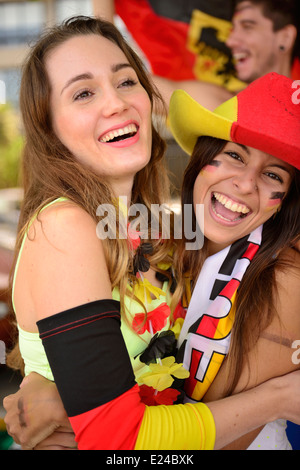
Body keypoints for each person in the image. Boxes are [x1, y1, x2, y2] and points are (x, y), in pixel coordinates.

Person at [3, 15, 300, 449]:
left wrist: (58, 395)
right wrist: (277, 398)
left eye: (126, 82)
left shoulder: (155, 231)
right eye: (84, 93)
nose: (116, 104)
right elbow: (118, 441)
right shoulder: (65, 225)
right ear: (49, 127)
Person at [168, 71, 300, 449]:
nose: (246, 183)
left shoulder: (285, 277)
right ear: (203, 156)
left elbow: (225, 441)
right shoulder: (161, 246)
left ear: (287, 199)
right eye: (234, 155)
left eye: (273, 174)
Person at [226, 0, 300, 84]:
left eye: (247, 27)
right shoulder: (218, 96)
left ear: (285, 38)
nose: (230, 42)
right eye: (233, 29)